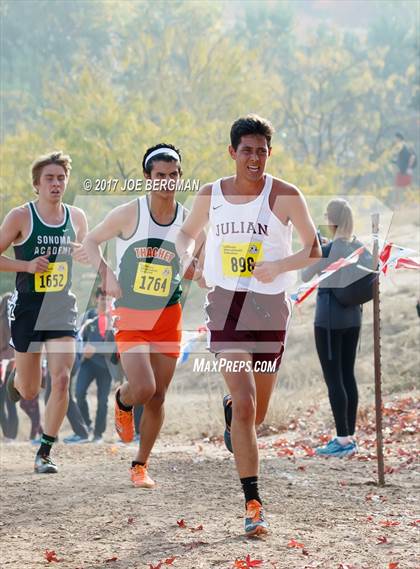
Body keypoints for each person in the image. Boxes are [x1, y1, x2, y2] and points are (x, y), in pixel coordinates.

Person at [176, 115, 321, 536]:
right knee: (244, 406)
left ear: (269, 153)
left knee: (254, 414)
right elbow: (186, 234)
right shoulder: (211, 194)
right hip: (226, 306)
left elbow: (314, 248)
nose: (254, 158)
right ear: (232, 152)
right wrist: (191, 260)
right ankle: (253, 502)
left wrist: (278, 264)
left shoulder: (286, 195)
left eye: (261, 150)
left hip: (270, 308)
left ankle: (234, 414)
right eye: (246, 150)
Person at [83, 143, 202, 487]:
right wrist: (106, 274)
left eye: (173, 175)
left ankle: (140, 465)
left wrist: (201, 271)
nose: (167, 182)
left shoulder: (189, 220)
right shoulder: (128, 214)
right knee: (144, 388)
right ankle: (123, 399)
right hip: (133, 313)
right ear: (148, 178)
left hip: (168, 315)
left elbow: (193, 266)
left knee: (159, 395)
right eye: (160, 176)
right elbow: (91, 242)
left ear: (180, 177)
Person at [0, 151, 88, 473]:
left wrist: (88, 258)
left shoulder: (76, 218)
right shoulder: (20, 217)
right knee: (30, 389)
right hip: (27, 307)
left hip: (61, 305)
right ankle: (15, 378)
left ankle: (45, 452)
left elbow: (87, 253)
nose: (56, 184)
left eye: (61, 178)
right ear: (37, 184)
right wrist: (25, 264)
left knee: (62, 378)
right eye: (49, 179)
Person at [302, 198, 372, 458]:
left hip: (328, 322)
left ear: (331, 221)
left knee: (334, 379)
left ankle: (342, 441)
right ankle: (349, 437)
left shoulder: (330, 249)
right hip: (354, 319)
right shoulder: (360, 247)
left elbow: (305, 276)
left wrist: (317, 249)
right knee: (347, 375)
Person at [75, 287, 115, 443]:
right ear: (96, 299)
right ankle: (86, 427)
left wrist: (96, 348)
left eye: (108, 299)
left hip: (106, 366)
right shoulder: (87, 317)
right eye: (102, 298)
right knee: (78, 394)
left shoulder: (114, 319)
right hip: (88, 364)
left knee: (102, 400)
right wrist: (82, 350)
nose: (105, 301)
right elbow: (78, 338)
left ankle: (98, 434)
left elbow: (117, 346)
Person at [0, 293, 18, 441]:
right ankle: (10, 435)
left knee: (6, 403)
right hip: (10, 366)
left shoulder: (6, 323)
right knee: (8, 403)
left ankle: (9, 435)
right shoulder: (13, 322)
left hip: (7, 368)